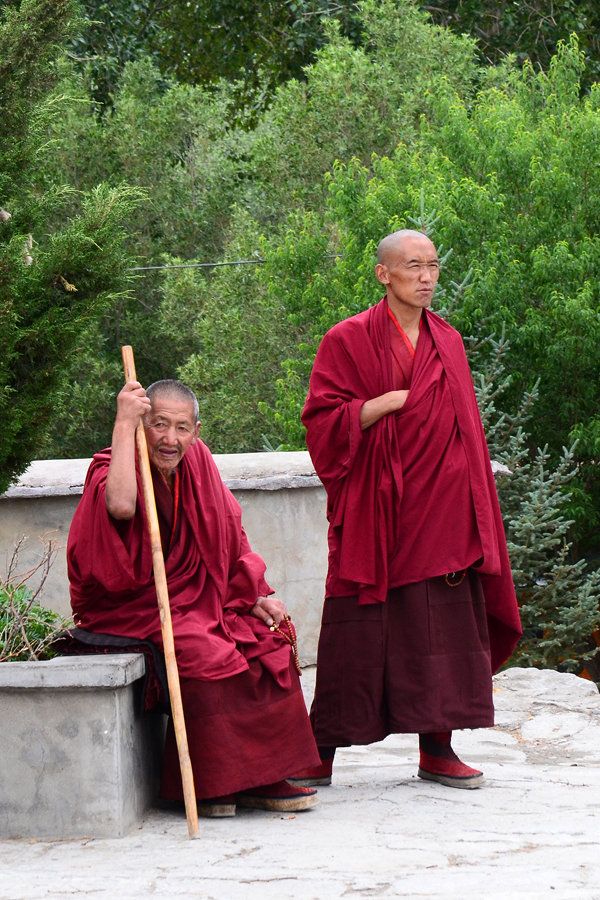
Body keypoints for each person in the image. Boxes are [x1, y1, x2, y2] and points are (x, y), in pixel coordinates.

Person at [292, 229, 522, 790]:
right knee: (356, 630)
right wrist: (380, 405)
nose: (425, 277)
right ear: (383, 274)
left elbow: (469, 434)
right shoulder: (347, 340)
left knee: (439, 630)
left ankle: (437, 748)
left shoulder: (450, 342)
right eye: (413, 266)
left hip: (442, 512)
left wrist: (476, 512)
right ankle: (321, 749)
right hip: (376, 511)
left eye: (433, 266)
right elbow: (322, 426)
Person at [67, 378, 320, 817]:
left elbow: (228, 528)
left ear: (196, 432)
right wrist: (123, 422)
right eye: (158, 425)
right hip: (133, 603)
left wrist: (255, 593)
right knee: (205, 650)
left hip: (200, 596)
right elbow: (123, 507)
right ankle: (213, 782)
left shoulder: (197, 461)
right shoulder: (115, 464)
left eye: (181, 428)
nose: (170, 439)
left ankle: (264, 774)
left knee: (268, 640)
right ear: (141, 425)